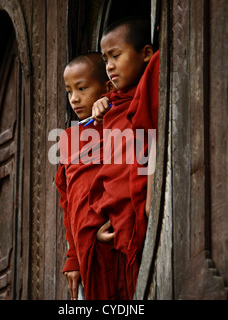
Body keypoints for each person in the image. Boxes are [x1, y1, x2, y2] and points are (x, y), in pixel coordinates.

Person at [77, 16, 159, 300]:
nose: (109, 66)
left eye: (116, 56)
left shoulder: (150, 87)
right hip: (116, 226)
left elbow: (151, 144)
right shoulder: (112, 106)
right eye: (105, 59)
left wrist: (152, 194)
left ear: (146, 54)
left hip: (144, 216)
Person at [55, 52, 115, 300]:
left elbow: (125, 178)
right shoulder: (69, 138)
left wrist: (111, 107)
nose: (74, 99)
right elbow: (67, 202)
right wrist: (72, 258)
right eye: (69, 91)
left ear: (107, 87)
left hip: (111, 240)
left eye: (82, 88)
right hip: (83, 248)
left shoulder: (117, 121)